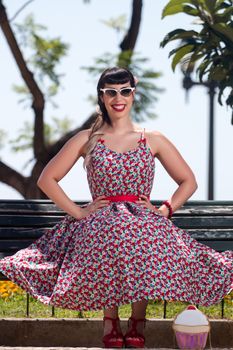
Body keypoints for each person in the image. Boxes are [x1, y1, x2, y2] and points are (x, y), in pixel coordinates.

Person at [0, 66, 232, 349]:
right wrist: (79, 212)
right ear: (102, 96)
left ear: (133, 94)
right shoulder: (88, 138)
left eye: (125, 91)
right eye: (111, 92)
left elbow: (188, 181)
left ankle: (137, 321)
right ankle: (110, 321)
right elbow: (47, 179)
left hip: (143, 220)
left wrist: (165, 210)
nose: (118, 97)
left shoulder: (153, 138)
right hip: (100, 220)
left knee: (136, 234)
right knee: (111, 231)